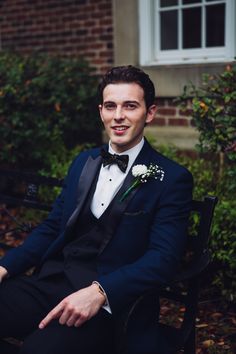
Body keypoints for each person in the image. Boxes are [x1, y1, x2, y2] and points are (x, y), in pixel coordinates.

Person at [0, 65, 193, 354]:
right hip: (52, 281)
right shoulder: (83, 161)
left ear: (149, 113)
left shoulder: (172, 178)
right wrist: (5, 266)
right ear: (100, 111)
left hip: (112, 306)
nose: (118, 116)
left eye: (130, 106)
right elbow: (53, 227)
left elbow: (163, 259)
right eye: (110, 106)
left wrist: (100, 292)